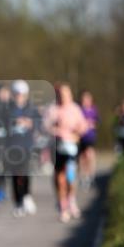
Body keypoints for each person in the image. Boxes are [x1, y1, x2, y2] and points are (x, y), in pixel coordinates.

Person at [43, 82, 88, 222]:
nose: (64, 97)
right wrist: (55, 130)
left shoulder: (75, 109)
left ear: (70, 94)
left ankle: (71, 200)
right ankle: (63, 206)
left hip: (72, 147)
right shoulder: (53, 109)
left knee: (70, 177)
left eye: (66, 94)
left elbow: (83, 126)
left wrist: (76, 134)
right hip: (57, 147)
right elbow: (44, 126)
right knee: (60, 178)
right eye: (62, 94)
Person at [6, 80, 39, 216]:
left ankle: (26, 195)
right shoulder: (8, 108)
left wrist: (30, 123)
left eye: (22, 94)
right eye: (17, 94)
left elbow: (39, 124)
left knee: (25, 172)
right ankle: (18, 202)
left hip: (26, 145)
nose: (19, 96)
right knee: (15, 174)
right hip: (12, 146)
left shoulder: (31, 108)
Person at [77, 90, 100, 187]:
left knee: (90, 155)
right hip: (81, 137)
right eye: (84, 99)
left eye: (87, 98)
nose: (86, 100)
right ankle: (83, 176)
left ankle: (90, 176)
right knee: (82, 157)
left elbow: (97, 122)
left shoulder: (94, 110)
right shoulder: (79, 110)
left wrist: (91, 123)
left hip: (90, 137)